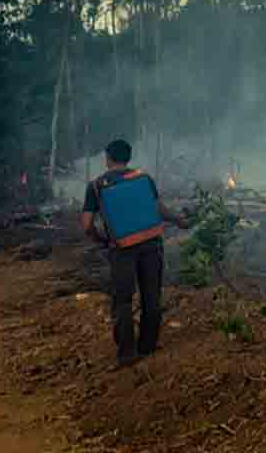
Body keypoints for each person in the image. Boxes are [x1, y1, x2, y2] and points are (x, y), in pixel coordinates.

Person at [80, 139, 189, 368]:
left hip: (122, 248)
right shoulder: (144, 178)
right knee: (151, 297)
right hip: (151, 243)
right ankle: (148, 346)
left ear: (108, 158)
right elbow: (159, 208)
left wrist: (101, 239)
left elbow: (87, 224)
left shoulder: (97, 185)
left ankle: (127, 354)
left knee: (123, 301)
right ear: (128, 158)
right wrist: (179, 220)